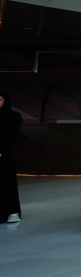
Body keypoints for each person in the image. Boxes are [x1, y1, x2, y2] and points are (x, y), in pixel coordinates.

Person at [0, 91, 22, 223]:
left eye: (0, 100)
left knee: (6, 183)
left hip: (5, 156)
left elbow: (10, 137)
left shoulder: (13, 116)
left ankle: (11, 212)